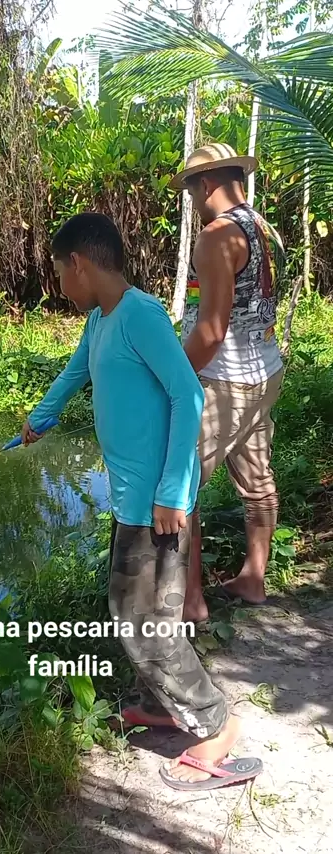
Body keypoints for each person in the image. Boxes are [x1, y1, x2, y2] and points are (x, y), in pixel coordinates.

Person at [21, 212, 262, 791]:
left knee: (143, 623)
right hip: (133, 501)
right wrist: (41, 417)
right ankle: (163, 706)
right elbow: (76, 372)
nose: (60, 286)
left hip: (157, 505)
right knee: (140, 613)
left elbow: (187, 395)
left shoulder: (140, 315)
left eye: (59, 273)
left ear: (78, 263)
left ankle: (216, 727)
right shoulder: (101, 320)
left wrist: (173, 493)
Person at [171, 144, 285, 623]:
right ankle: (253, 578)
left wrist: (173, 377)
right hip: (266, 373)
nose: (193, 202)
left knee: (180, 484)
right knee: (257, 480)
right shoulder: (263, 228)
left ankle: (191, 599)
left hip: (225, 383)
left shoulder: (216, 236)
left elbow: (212, 331)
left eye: (192, 192)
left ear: (205, 184)